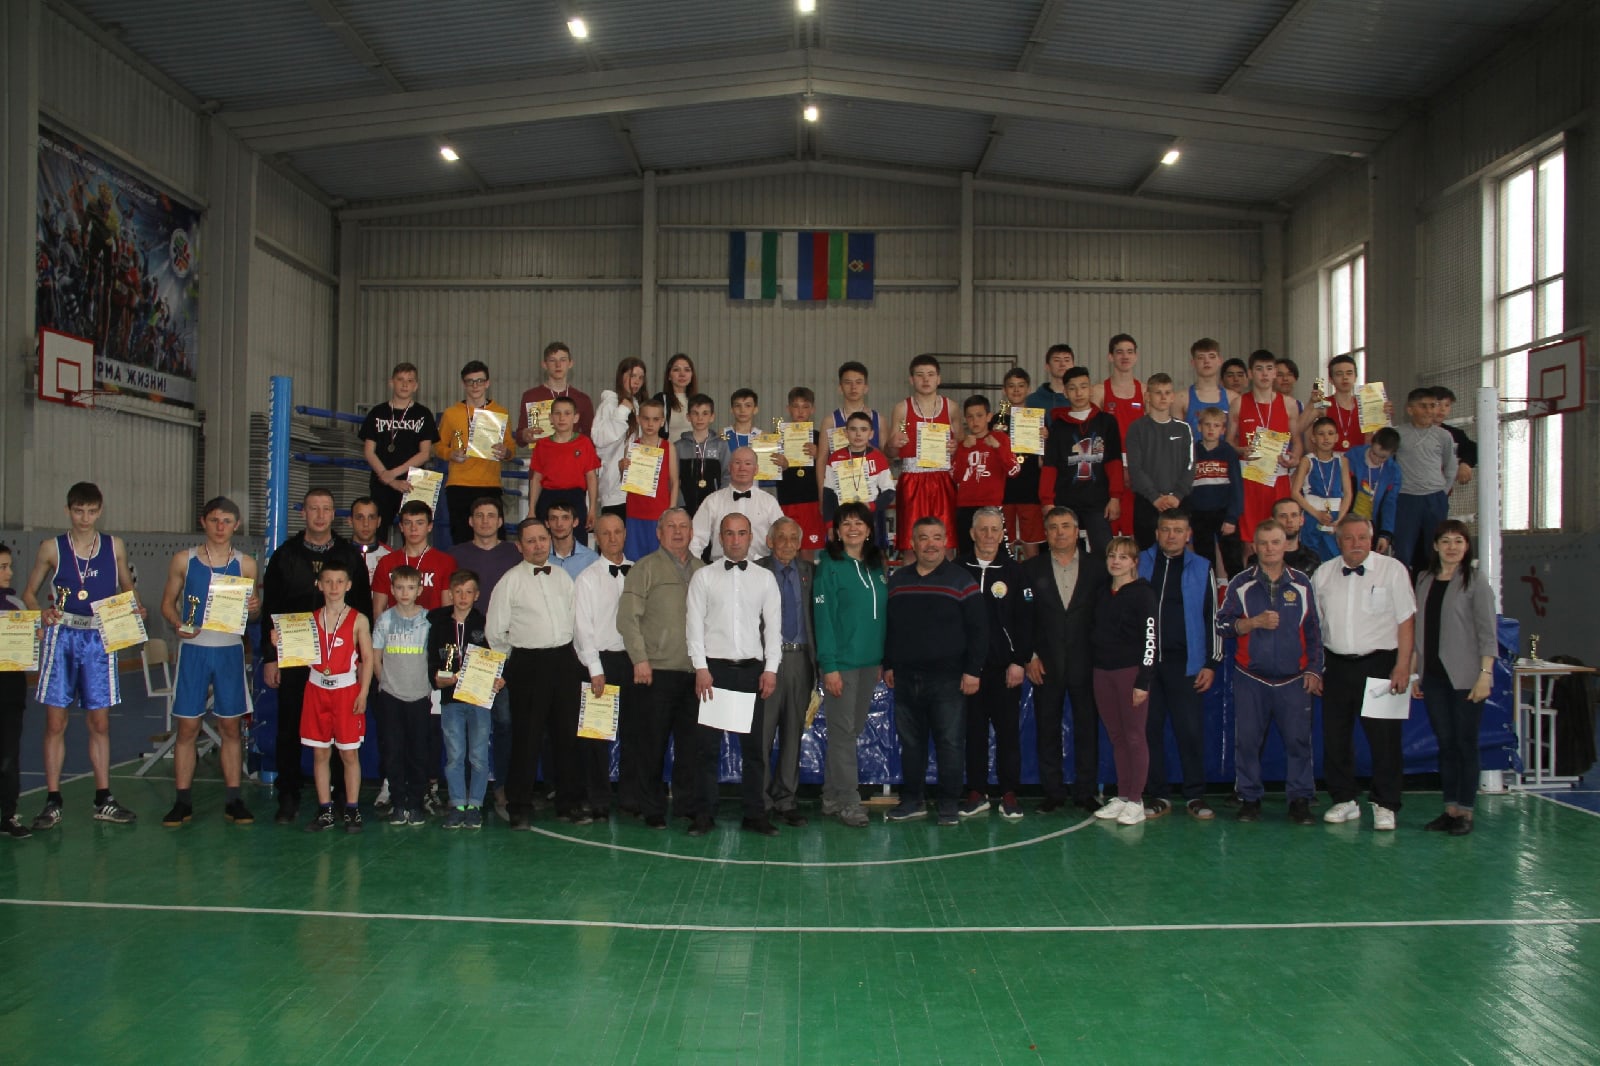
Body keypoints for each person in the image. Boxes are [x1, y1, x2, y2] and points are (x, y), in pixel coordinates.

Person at [23, 481, 145, 828]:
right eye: (79, 511)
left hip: (99, 637)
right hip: (62, 636)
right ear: (68, 511)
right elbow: (30, 593)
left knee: (100, 722)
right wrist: (40, 613)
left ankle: (103, 798)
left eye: (91, 511)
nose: (85, 518)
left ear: (100, 511)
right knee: (55, 722)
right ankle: (53, 800)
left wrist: (135, 610)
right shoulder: (51, 547)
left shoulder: (114, 545)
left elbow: (128, 588)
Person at [260, 487, 374, 825]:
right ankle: (289, 794)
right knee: (289, 727)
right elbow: (270, 609)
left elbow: (363, 609)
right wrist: (271, 656)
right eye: (314, 509)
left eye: (326, 509)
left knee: (340, 736)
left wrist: (359, 665)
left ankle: (340, 799)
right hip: (296, 656)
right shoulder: (285, 555)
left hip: (339, 663)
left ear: (334, 514)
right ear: (303, 513)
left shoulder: (349, 556)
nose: (320, 515)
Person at [157, 496, 260, 828]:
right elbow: (167, 603)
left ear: (236, 525)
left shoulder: (246, 564)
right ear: (203, 522)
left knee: (230, 727)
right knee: (187, 727)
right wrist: (178, 623)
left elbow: (252, 612)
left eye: (227, 521)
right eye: (214, 520)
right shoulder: (184, 560)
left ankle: (234, 799)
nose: (220, 527)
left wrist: (255, 607)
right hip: (194, 649)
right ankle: (182, 801)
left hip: (229, 649)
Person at [1215, 520, 1324, 825]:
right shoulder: (1241, 583)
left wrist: (1315, 669)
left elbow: (1314, 631)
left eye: (1275, 542)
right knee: (1248, 742)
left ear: (1285, 545)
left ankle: (1300, 800)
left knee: (1299, 742)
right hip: (1252, 677)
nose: (1269, 548)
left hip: (1294, 678)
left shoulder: (1301, 583)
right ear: (1255, 546)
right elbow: (1222, 624)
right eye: (1263, 543)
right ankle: (1249, 799)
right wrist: (1251, 623)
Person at [1313, 515, 1417, 832]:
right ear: (1338, 541)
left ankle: (1386, 804)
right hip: (1336, 664)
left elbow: (1406, 620)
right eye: (1349, 538)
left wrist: (1403, 665)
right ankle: (1344, 798)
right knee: (1336, 737)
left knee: (1385, 739)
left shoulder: (1393, 570)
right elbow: (1315, 625)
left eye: (1362, 537)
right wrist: (1316, 667)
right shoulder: (1323, 574)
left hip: (1382, 663)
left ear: (1371, 540)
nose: (1356, 543)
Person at [883, 518, 986, 826]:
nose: (930, 544)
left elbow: (979, 630)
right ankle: (912, 800)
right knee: (911, 744)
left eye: (936, 537)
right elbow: (890, 628)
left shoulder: (962, 580)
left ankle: (949, 804)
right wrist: (889, 663)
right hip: (906, 678)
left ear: (946, 542)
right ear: (913, 543)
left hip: (948, 679)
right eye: (923, 538)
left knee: (950, 743)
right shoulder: (898, 580)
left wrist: (973, 671)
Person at [686, 514, 783, 837]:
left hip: (752, 672)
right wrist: (701, 667)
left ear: (751, 536)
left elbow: (773, 628)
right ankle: (704, 813)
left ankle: (755, 813)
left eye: (742, 533)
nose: (736, 539)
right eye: (729, 533)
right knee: (707, 748)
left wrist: (770, 669)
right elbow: (693, 625)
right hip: (713, 672)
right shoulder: (703, 577)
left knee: (755, 750)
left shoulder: (764, 579)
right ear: (720, 537)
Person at [486, 519, 586, 828]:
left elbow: (576, 620)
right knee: (526, 738)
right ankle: (519, 806)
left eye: (542, 539)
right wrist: (510, 664)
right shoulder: (509, 582)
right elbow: (495, 631)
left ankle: (568, 803)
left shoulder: (563, 577)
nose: (538, 545)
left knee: (567, 737)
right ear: (519, 546)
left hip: (564, 661)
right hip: (527, 664)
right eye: (531, 541)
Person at [615, 508, 707, 830]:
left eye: (684, 526)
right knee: (651, 745)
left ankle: (686, 804)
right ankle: (651, 807)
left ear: (692, 532)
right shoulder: (645, 568)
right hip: (655, 671)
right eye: (671, 526)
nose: (678, 532)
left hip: (694, 673)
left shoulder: (703, 571)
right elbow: (627, 618)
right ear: (659, 532)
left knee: (690, 745)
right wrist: (640, 659)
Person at [1412, 521, 1497, 836]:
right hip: (1433, 676)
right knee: (1445, 744)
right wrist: (1415, 672)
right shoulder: (1424, 580)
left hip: (1466, 677)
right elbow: (1419, 629)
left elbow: (1487, 632)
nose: (1452, 547)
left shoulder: (1475, 581)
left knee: (1465, 743)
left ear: (1467, 546)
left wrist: (1485, 674)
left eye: (1458, 541)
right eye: (1445, 541)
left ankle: (1466, 811)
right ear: (1435, 546)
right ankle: (1450, 809)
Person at [1137, 510, 1221, 820]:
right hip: (1146, 665)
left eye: (1178, 530)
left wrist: (1211, 662)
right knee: (1149, 730)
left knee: (1190, 731)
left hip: (1186, 664)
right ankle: (1157, 794)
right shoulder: (1139, 563)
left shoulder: (1202, 567)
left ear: (1188, 535)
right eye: (1166, 529)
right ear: (1156, 533)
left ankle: (1195, 795)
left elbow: (1213, 616)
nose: (1171, 535)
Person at [1023, 507, 1107, 814]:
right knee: (1047, 728)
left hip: (1087, 662)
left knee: (1087, 728)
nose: (1060, 532)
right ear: (1046, 533)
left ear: (1076, 531)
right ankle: (1053, 792)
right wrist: (1030, 656)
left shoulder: (1098, 567)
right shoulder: (1030, 569)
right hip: (1045, 663)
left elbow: (1105, 616)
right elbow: (1023, 617)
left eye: (1066, 526)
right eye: (1054, 527)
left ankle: (1086, 791)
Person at [811, 503, 887, 828]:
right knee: (843, 734)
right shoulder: (829, 566)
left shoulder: (876, 566)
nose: (853, 528)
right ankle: (849, 801)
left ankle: (830, 796)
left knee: (849, 732)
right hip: (841, 664)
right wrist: (829, 666)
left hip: (870, 663)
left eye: (859, 523)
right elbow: (823, 620)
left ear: (869, 530)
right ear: (837, 531)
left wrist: (880, 659)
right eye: (846, 523)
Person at [957, 508, 1032, 821]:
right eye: (983, 529)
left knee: (1007, 734)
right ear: (972, 533)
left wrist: (1019, 661)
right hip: (969, 671)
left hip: (1005, 670)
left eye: (994, 530)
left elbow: (1026, 620)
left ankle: (1009, 792)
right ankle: (976, 791)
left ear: (1003, 535)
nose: (989, 535)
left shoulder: (1015, 572)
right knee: (972, 732)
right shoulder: (957, 570)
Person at [296, 559, 373, 834]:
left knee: (349, 753)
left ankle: (352, 809)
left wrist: (363, 692)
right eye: (328, 581)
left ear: (348, 585)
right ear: (319, 584)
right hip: (316, 689)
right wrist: (279, 642)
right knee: (320, 753)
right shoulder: (308, 620)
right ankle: (325, 809)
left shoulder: (359, 619)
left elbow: (367, 658)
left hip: (345, 691)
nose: (333, 587)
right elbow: (295, 653)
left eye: (339, 582)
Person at [1089, 536, 1157, 827]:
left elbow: (1151, 639)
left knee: (1134, 736)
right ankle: (1123, 794)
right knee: (1117, 736)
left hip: (1130, 673)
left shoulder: (1143, 594)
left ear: (1134, 562)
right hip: (1102, 673)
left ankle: (1136, 800)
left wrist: (1143, 680)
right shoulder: (1102, 592)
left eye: (1123, 557)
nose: (1116, 561)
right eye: (1112, 556)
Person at [573, 514, 636, 818]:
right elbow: (582, 628)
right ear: (596, 538)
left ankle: (630, 798)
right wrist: (595, 669)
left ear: (625, 534)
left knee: (634, 734)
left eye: (617, 532)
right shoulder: (587, 578)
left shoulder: (639, 572)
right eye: (606, 533)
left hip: (634, 660)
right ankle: (597, 799)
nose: (612, 538)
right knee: (596, 735)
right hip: (600, 661)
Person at [754, 519, 815, 829]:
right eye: (781, 537)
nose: (788, 544)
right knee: (762, 735)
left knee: (793, 734)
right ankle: (761, 800)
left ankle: (786, 800)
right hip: (767, 663)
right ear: (770, 540)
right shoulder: (756, 572)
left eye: (794, 538)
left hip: (801, 660)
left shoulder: (811, 573)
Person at [430, 569, 495, 829]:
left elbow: (495, 659)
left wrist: (498, 677)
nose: (463, 597)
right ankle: (457, 804)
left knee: (478, 756)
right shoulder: (439, 625)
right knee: (455, 755)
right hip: (451, 700)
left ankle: (475, 805)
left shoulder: (485, 624)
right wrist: (438, 678)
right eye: (458, 592)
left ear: (477, 595)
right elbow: (433, 663)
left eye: (468, 592)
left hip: (479, 700)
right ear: (450, 594)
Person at [371, 566, 434, 826]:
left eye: (410, 588)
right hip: (391, 696)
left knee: (418, 752)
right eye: (399, 587)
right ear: (392, 590)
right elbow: (375, 657)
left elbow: (434, 657)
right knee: (393, 751)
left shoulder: (429, 620)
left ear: (419, 590)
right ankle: (398, 803)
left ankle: (416, 803)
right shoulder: (385, 620)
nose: (404, 593)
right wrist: (385, 683)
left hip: (419, 696)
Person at [1039, 366, 1123, 555]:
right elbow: (1050, 467)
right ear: (1065, 392)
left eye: (1083, 387)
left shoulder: (1106, 422)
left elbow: (1114, 462)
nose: (1079, 393)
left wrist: (1115, 497)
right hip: (1065, 501)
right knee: (1065, 552)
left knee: (1104, 551)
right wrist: (1047, 501)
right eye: (1073, 388)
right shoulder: (1058, 426)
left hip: (1098, 501)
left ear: (1091, 389)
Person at [434, 360, 515, 546]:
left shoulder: (500, 412)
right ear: (463, 384)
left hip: (490, 485)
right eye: (470, 381)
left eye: (479, 381)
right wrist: (451, 454)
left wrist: (506, 452)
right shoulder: (451, 413)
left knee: (495, 541)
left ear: (487, 383)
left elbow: (511, 447)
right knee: (462, 540)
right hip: (459, 485)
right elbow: (437, 446)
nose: (475, 386)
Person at [885, 355, 957, 560]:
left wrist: (955, 447)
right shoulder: (902, 408)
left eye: (931, 375)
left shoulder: (951, 408)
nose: (926, 379)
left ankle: (947, 581)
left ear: (938, 379)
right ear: (911, 379)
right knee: (911, 543)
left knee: (946, 543)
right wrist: (893, 444)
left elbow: (960, 446)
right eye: (920, 375)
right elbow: (890, 453)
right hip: (912, 480)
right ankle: (910, 581)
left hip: (942, 479)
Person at [358, 361, 436, 543]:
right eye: (400, 379)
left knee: (415, 535)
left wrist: (393, 474)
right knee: (378, 533)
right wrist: (390, 480)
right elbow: (369, 451)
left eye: (410, 380)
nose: (404, 384)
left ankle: (413, 562)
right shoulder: (377, 412)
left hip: (414, 482)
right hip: (382, 481)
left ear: (416, 386)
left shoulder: (424, 414)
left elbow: (425, 453)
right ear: (391, 382)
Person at [1230, 350, 1300, 545]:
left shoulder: (1289, 404)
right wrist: (1241, 450)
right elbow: (1229, 441)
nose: (1264, 374)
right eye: (1259, 369)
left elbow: (1298, 441)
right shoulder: (1238, 403)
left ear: (1275, 372)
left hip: (1278, 478)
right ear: (1250, 373)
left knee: (1281, 536)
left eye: (1269, 369)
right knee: (1250, 540)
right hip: (1251, 478)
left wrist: (1295, 457)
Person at [1123, 373, 1194, 551]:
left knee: (1178, 554)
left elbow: (1190, 465)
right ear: (1147, 396)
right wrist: (1154, 497)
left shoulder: (1184, 428)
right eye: (1158, 392)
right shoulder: (1137, 428)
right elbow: (1135, 468)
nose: (1163, 397)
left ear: (1173, 397)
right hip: (1147, 503)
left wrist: (1177, 495)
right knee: (1147, 556)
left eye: (1167, 392)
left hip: (1178, 502)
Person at [1392, 388, 1457, 572]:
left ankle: (1434, 586)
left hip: (1435, 498)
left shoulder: (1444, 436)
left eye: (1432, 406)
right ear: (1410, 409)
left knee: (1436, 550)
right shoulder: (1398, 434)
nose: (1429, 410)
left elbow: (1451, 467)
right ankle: (1403, 587)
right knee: (1403, 550)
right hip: (1406, 498)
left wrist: (1442, 493)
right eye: (1423, 406)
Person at [690, 447, 785, 562]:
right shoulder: (712, 501)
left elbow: (782, 538)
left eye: (748, 463)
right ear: (729, 468)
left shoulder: (769, 502)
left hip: (760, 568)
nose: (742, 468)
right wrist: (694, 568)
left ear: (756, 469)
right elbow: (696, 540)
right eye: (737, 463)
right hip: (721, 568)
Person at [1092, 334, 1143, 535]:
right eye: (1119, 352)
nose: (1125, 356)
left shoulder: (1145, 391)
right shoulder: (1099, 391)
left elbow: (1149, 436)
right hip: (1109, 467)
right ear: (1110, 357)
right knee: (1109, 531)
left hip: (1137, 467)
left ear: (1136, 356)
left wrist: (1134, 467)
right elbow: (1094, 434)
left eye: (1129, 352)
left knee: (1134, 531)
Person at [952, 396, 1017, 555]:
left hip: (992, 506)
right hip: (966, 507)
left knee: (998, 554)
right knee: (966, 554)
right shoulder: (962, 444)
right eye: (970, 416)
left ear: (989, 416)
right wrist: (964, 450)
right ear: (965, 419)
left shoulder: (1001, 439)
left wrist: (998, 448)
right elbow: (955, 477)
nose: (975, 421)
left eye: (979, 415)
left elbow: (1014, 471)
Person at [525, 396, 600, 531]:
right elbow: (536, 479)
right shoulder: (542, 445)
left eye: (567, 413)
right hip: (548, 498)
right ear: (550, 418)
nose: (562, 418)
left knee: (576, 540)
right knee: (547, 540)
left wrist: (593, 509)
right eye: (557, 413)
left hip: (575, 498)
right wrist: (531, 509)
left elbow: (591, 477)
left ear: (576, 417)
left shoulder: (584, 443)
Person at [620, 397, 680, 561]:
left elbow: (674, 481)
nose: (650, 424)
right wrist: (622, 468)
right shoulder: (631, 447)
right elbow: (625, 482)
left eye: (655, 419)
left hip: (659, 514)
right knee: (634, 561)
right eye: (646, 419)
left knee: (660, 560)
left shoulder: (669, 447)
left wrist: (671, 511)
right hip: (635, 513)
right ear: (638, 419)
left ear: (662, 421)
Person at [1187, 406, 1245, 577]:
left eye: (1216, 425)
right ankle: (1209, 591)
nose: (1211, 429)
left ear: (1223, 430)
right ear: (1199, 427)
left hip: (1224, 513)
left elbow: (1237, 487)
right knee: (1204, 561)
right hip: (1199, 515)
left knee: (1233, 560)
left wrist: (1232, 518)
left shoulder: (1228, 452)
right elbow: (1186, 487)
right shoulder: (1192, 452)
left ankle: (1237, 590)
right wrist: (1188, 516)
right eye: (1207, 425)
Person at [372, 500, 457, 615]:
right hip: (395, 626)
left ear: (429, 526)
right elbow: (378, 610)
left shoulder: (446, 562)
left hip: (432, 626)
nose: (413, 528)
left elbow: (447, 611)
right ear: (401, 527)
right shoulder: (386, 562)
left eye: (420, 523)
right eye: (408, 523)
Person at [770, 387, 826, 554]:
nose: (800, 411)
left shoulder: (820, 438)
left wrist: (820, 456)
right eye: (796, 406)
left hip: (812, 500)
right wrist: (779, 465)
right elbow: (766, 469)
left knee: (808, 550)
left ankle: (806, 574)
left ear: (813, 409)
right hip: (787, 499)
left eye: (805, 406)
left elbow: (832, 468)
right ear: (788, 409)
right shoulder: (776, 437)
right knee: (786, 547)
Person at [997, 367, 1045, 559]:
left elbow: (1044, 462)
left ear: (1028, 389)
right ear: (1004, 390)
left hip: (1030, 489)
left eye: (1021, 386)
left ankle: (1032, 578)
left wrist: (1045, 440)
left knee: (1031, 545)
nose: (1016, 390)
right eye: (1011, 386)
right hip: (1004, 491)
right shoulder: (996, 421)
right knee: (1004, 544)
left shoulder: (1038, 421)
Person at [1289, 417, 1351, 562]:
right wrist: (1317, 513)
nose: (1326, 438)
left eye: (1330, 433)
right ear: (1313, 438)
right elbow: (1295, 492)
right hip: (1312, 514)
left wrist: (1339, 520)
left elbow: (1348, 494)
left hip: (1334, 517)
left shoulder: (1342, 461)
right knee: (1311, 558)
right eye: (1321, 434)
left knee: (1335, 559)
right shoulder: (1307, 461)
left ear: (1336, 437)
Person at [593, 357, 648, 521]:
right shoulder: (610, 404)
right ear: (621, 376)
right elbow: (599, 439)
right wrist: (622, 411)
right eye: (632, 376)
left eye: (640, 377)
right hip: (614, 490)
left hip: (637, 486)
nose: (636, 381)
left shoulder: (638, 405)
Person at [0, 545, 30, 839]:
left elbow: (26, 652)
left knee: (8, 756)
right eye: (3, 567)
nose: (9, 572)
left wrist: (36, 637)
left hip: (9, 694)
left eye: (9, 566)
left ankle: (7, 815)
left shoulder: (16, 606)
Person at [821, 411, 895, 526]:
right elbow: (828, 493)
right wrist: (830, 524)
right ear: (846, 433)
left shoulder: (878, 458)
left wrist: (871, 506)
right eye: (853, 429)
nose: (858, 434)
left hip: (869, 517)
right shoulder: (835, 458)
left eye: (863, 429)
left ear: (871, 434)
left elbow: (889, 491)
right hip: (842, 518)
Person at [515, 340, 595, 442]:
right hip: (542, 451)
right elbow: (519, 438)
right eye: (552, 360)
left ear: (570, 363)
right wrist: (525, 435)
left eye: (563, 360)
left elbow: (590, 437)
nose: (558, 365)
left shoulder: (583, 399)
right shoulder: (530, 396)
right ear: (544, 364)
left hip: (573, 452)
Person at [446, 496, 521, 600]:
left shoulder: (516, 553)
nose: (485, 521)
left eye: (491, 516)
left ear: (500, 522)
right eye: (479, 516)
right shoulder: (454, 555)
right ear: (471, 521)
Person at [1346, 428, 1402, 555]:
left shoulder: (1393, 471)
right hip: (1348, 516)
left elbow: (1389, 504)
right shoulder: (1353, 456)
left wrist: (1385, 534)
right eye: (1373, 453)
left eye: (1382, 457)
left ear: (1392, 454)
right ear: (1371, 443)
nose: (1376, 459)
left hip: (1372, 522)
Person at [675, 394, 730, 517]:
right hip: (685, 507)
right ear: (688, 417)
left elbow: (727, 475)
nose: (700, 418)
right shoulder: (678, 447)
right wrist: (680, 503)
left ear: (712, 417)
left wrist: (720, 501)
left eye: (705, 413)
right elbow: (674, 479)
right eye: (695, 413)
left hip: (715, 507)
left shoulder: (721, 445)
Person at [1176, 338, 1235, 438]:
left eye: (1212, 357)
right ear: (1193, 362)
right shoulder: (1180, 399)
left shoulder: (1233, 399)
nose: (1206, 361)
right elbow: (1176, 438)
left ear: (1220, 361)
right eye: (1201, 357)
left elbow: (1236, 438)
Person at [827, 361, 882, 449]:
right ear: (840, 388)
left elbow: (886, 457)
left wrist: (867, 447)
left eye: (858, 382)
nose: (853, 387)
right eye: (848, 382)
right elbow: (822, 456)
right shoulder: (830, 421)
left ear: (866, 388)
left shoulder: (879, 420)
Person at [1431, 386, 1476, 487]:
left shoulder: (1455, 434)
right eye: (1437, 404)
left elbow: (1471, 448)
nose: (1442, 409)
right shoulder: (1410, 433)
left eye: (1447, 405)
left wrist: (1465, 464)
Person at [1272, 497, 1325, 576]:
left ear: (1301, 520)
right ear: (1273, 521)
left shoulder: (1313, 560)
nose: (1289, 520)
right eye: (1283, 516)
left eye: (1294, 515)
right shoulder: (1263, 558)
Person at [546, 499, 599, 579]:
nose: (559, 524)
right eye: (553, 518)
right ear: (547, 523)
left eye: (565, 518)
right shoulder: (540, 557)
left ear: (575, 522)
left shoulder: (591, 559)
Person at [1025, 343, 1076, 418]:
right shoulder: (1032, 401)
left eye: (1067, 360)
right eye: (1057, 360)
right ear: (1047, 366)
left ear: (1073, 365)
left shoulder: (1081, 399)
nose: (1062, 364)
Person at [656, 353, 698, 442]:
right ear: (669, 376)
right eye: (676, 370)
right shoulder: (660, 399)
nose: (682, 374)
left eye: (687, 370)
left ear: (692, 375)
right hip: (667, 449)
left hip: (692, 449)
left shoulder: (698, 400)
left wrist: (722, 436)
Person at [348, 497, 391, 581]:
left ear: (378, 522)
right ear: (350, 521)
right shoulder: (338, 554)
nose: (366, 524)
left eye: (371, 517)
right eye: (360, 517)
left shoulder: (389, 556)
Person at [724, 387, 761, 453]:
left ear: (755, 410)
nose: (742, 410)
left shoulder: (762, 436)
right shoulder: (723, 434)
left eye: (748, 405)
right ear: (731, 410)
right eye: (738, 405)